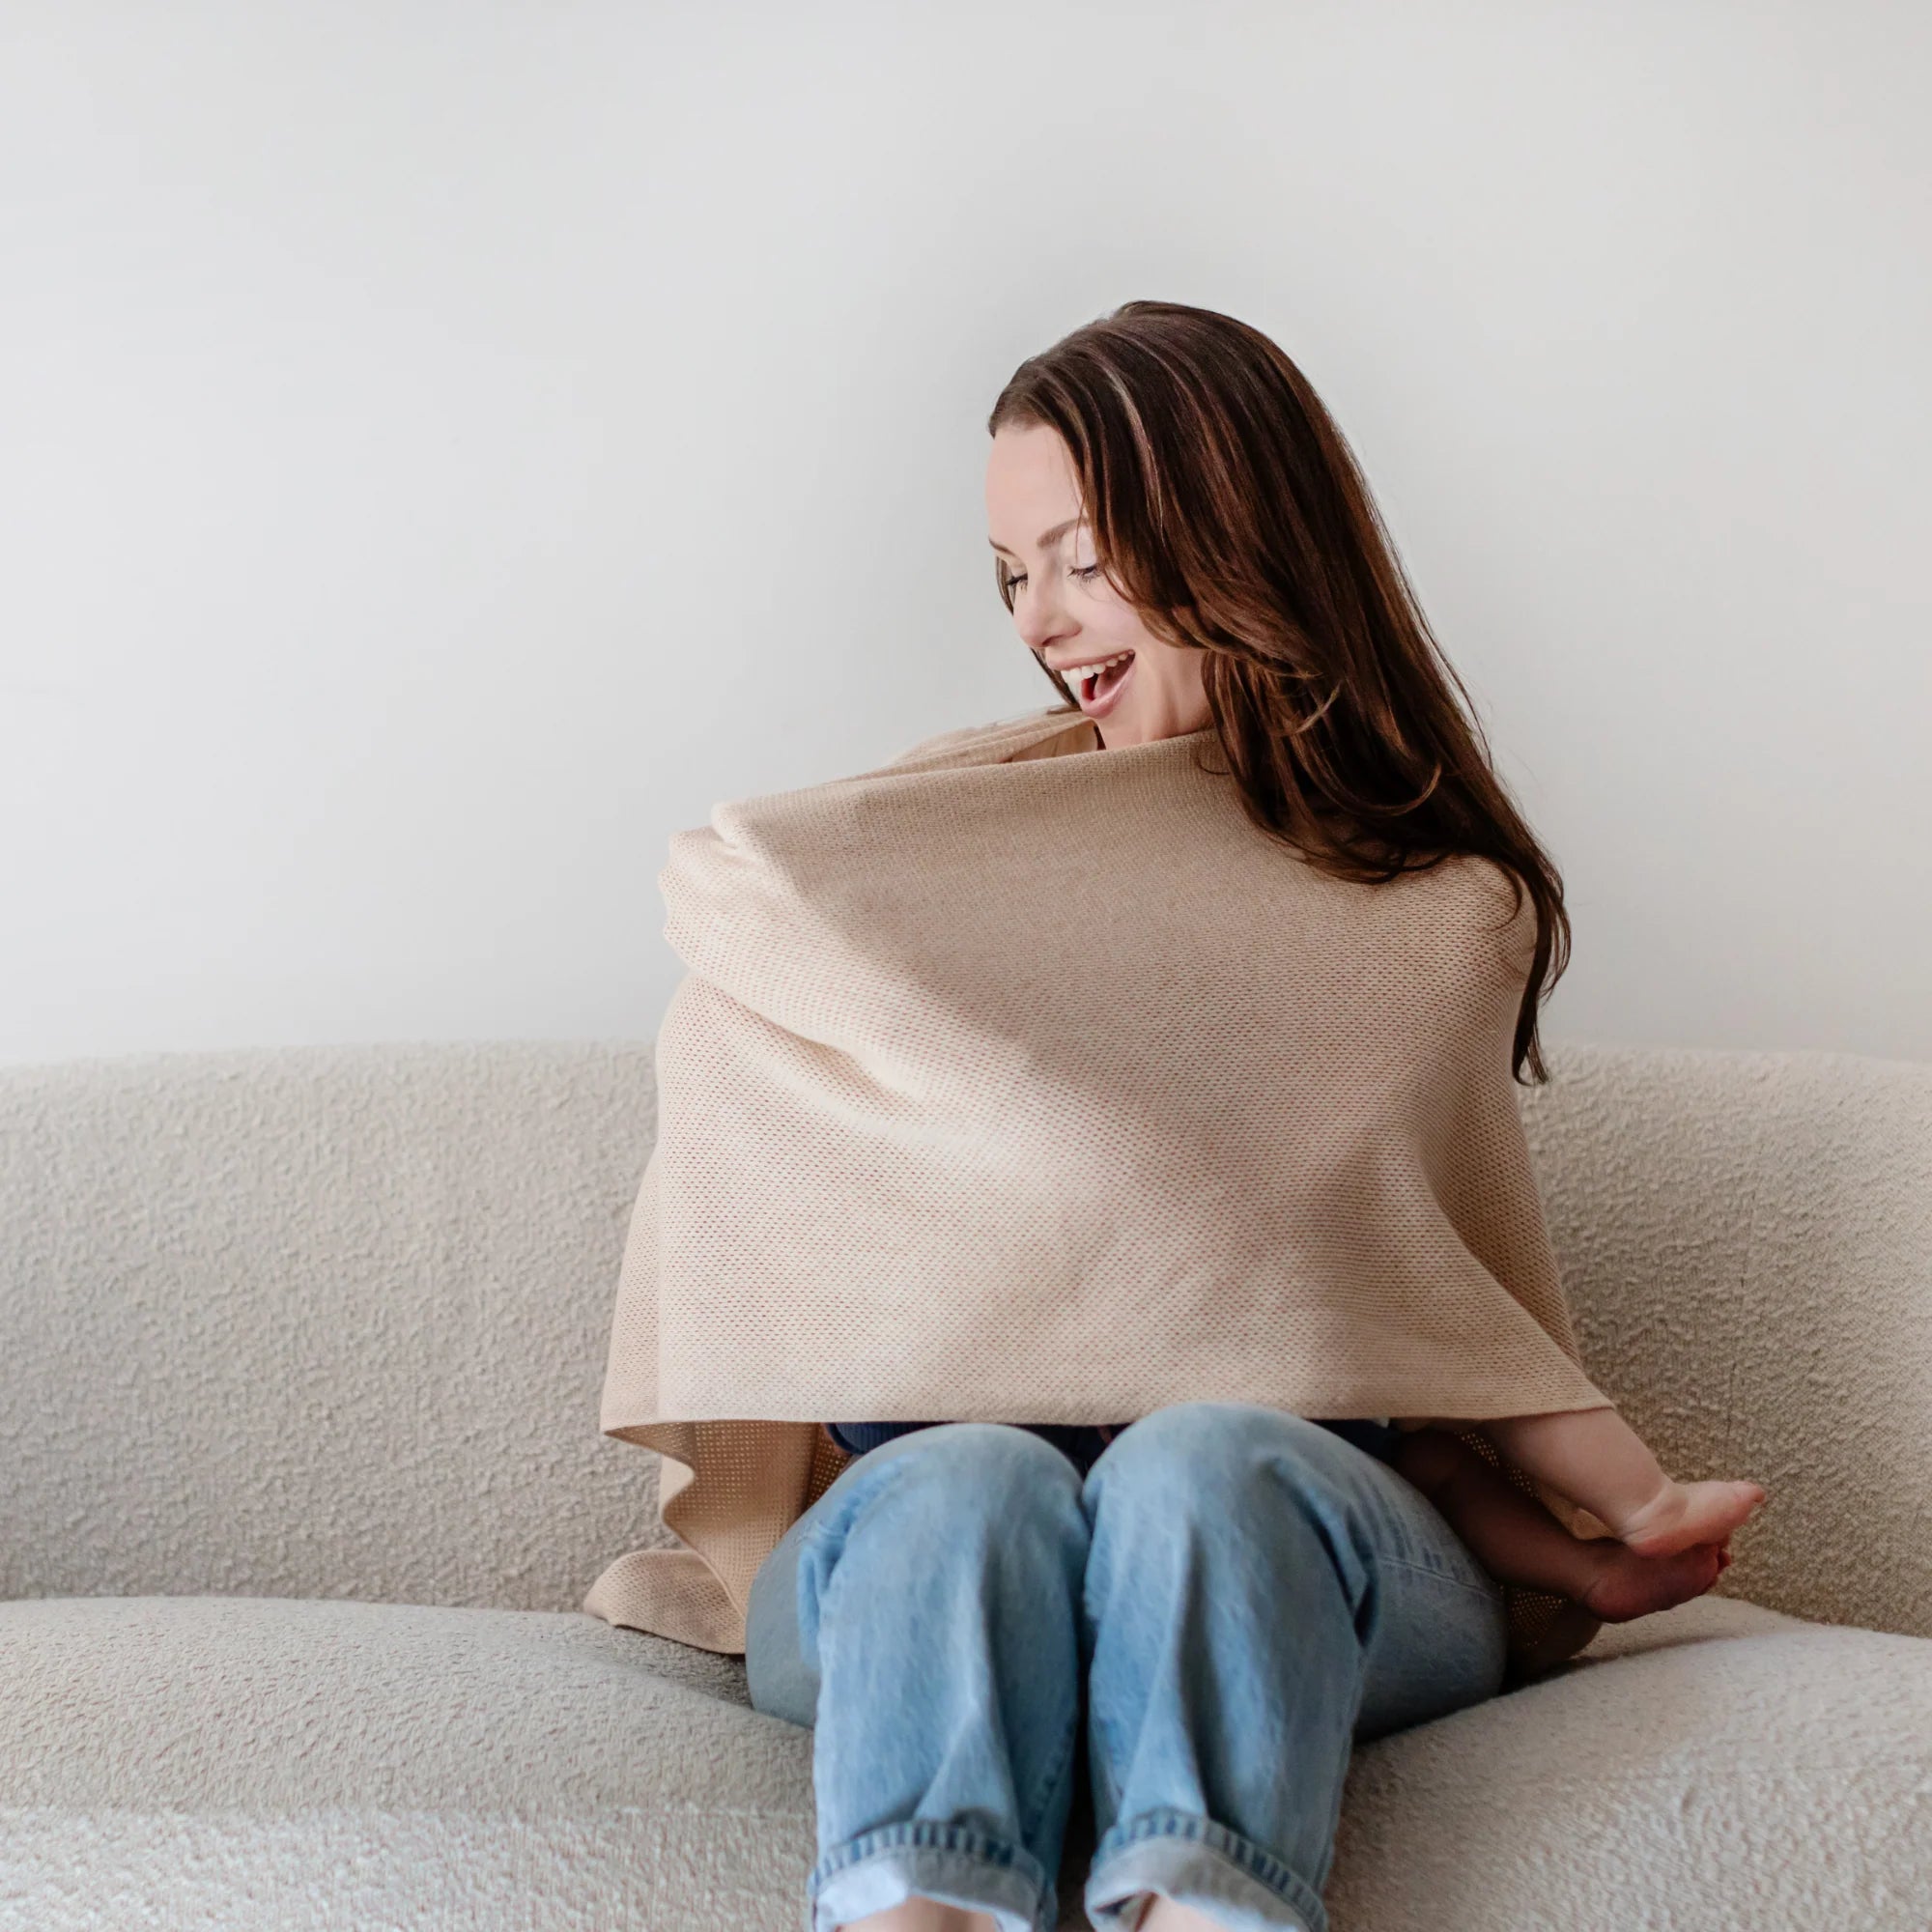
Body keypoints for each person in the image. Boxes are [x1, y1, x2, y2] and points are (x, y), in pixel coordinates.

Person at [742, 301, 1768, 1932]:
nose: (1039, 619)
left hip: (1276, 1549)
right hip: (926, 1567)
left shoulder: (1428, 914)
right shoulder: (939, 859)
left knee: (1206, 1463)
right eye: (1012, 575)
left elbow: (1409, 1349)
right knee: (970, 1486)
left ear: (1229, 527)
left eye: (1079, 555)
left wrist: (1595, 1553)